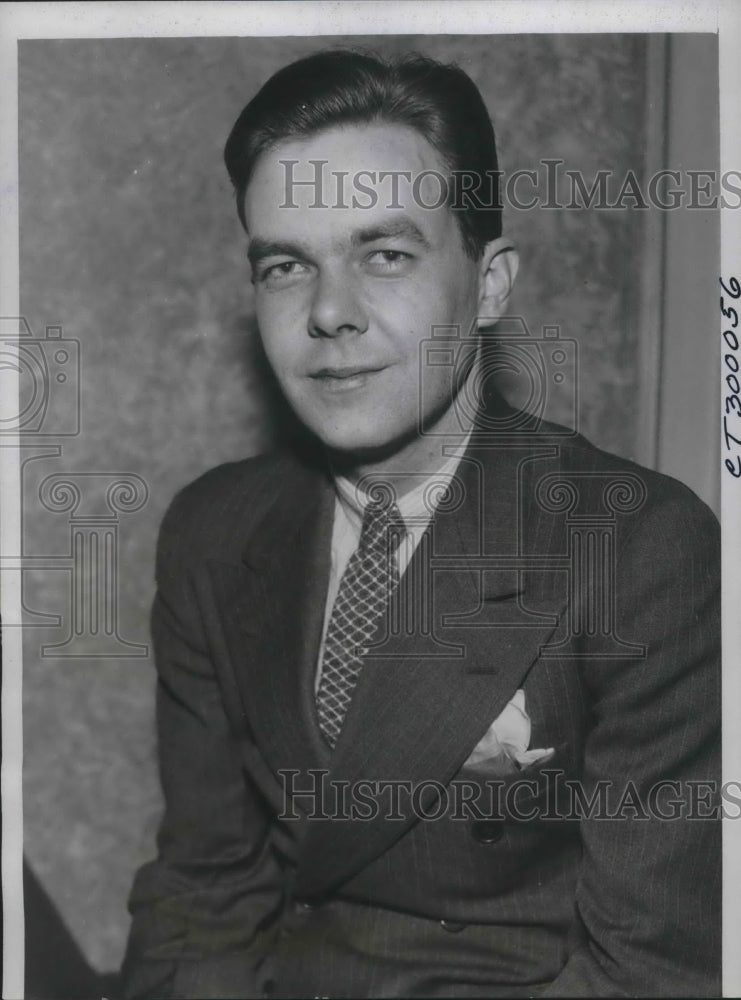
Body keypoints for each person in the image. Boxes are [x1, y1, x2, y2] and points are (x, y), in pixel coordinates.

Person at [121, 50, 721, 999]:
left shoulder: (642, 549)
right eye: (286, 266)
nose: (328, 312)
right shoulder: (212, 530)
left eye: (385, 255)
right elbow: (205, 896)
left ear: (488, 286)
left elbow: (649, 972)